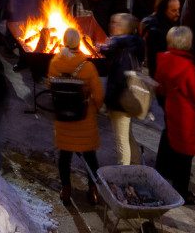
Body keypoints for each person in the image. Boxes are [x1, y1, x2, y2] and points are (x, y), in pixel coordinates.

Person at [151, 25, 195, 205]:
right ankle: (181, 191)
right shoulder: (188, 67)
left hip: (172, 107)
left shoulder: (164, 59)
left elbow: (160, 86)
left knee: (170, 139)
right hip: (187, 114)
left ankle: (162, 173)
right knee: (185, 154)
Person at [47, 26, 105, 206]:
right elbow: (99, 95)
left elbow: (50, 87)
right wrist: (95, 107)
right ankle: (93, 189)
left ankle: (66, 189)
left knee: (65, 156)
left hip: (64, 120)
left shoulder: (55, 63)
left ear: (64, 42)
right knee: (90, 156)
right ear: (79, 42)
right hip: (84, 120)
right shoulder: (87, 67)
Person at [100, 11, 147, 166]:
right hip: (130, 99)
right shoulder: (132, 44)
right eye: (112, 22)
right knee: (127, 134)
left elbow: (117, 80)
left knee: (121, 141)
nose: (112, 25)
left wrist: (109, 102)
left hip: (120, 100)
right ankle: (135, 163)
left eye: (117, 23)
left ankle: (124, 174)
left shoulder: (119, 48)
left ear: (126, 28)